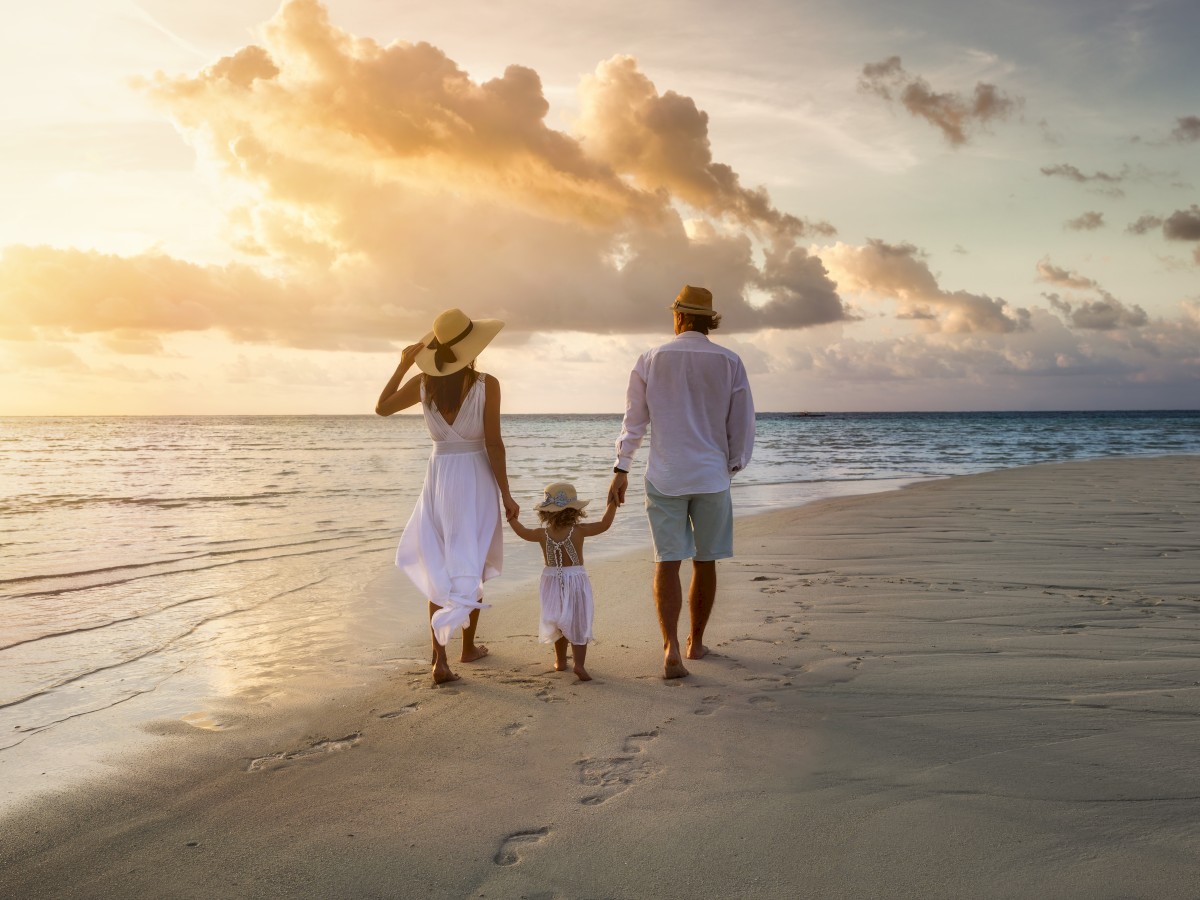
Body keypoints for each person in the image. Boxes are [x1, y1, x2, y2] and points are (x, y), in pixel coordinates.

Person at [608, 285, 755, 679]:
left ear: (678, 317)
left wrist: (621, 468)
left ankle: (670, 645)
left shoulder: (651, 359)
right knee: (705, 561)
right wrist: (732, 466)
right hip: (710, 475)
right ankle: (695, 641)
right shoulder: (729, 361)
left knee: (666, 561)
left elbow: (634, 420)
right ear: (709, 320)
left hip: (665, 475)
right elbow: (741, 423)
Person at [375, 308, 519, 684]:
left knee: (440, 562)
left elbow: (382, 407)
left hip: (439, 478)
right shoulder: (487, 384)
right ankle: (467, 648)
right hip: (474, 476)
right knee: (472, 556)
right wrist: (507, 495)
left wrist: (403, 366)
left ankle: (439, 659)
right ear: (473, 348)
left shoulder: (424, 384)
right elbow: (493, 444)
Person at [508, 482, 617, 682]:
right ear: (574, 510)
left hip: (551, 582)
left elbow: (522, 532)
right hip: (575, 580)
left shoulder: (542, 534)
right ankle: (579, 665)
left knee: (558, 621)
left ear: (546, 512)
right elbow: (604, 524)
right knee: (577, 621)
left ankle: (560, 662)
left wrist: (511, 518)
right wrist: (612, 503)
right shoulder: (579, 531)